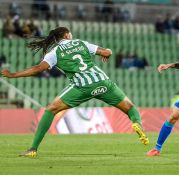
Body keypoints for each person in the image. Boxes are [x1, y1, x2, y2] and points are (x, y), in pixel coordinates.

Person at [0, 27, 149, 158]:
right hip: (103, 82)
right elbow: (107, 52)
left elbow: (38, 69)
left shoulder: (54, 52)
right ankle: (137, 124)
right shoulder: (80, 43)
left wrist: (14, 75)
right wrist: (107, 53)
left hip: (82, 87)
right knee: (130, 107)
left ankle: (33, 149)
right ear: (66, 35)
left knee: (51, 109)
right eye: (69, 33)